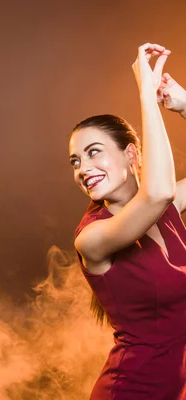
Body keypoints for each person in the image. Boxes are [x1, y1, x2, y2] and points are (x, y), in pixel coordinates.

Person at [71, 43, 186, 399]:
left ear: (130, 154)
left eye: (93, 153)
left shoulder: (168, 206)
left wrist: (183, 105)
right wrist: (146, 96)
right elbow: (157, 193)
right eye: (74, 161)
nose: (83, 168)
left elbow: (160, 195)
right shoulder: (91, 237)